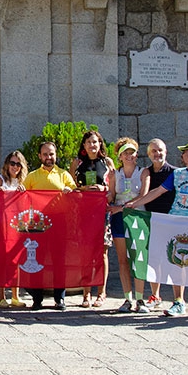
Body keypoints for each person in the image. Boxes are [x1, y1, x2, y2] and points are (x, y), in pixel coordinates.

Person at [125, 141, 188, 318]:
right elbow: (158, 191)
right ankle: (179, 301)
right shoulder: (177, 174)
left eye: (185, 153)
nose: (181, 156)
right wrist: (135, 204)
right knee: (176, 261)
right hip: (176, 221)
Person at [22, 141, 77, 310]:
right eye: (45, 154)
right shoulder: (32, 176)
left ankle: (59, 298)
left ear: (56, 155)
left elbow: (77, 193)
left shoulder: (64, 175)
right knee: (37, 260)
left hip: (59, 223)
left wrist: (70, 192)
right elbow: (22, 195)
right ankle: (37, 299)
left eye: (51, 154)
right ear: (40, 156)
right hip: (38, 225)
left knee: (59, 261)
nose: (49, 157)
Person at [69, 130, 114, 308]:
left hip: (102, 212)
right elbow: (71, 187)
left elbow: (114, 188)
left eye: (95, 142)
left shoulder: (107, 162)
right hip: (84, 213)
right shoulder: (77, 163)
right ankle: (86, 293)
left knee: (102, 252)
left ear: (100, 144)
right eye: (88, 142)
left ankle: (101, 293)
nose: (92, 145)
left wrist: (103, 190)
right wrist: (85, 189)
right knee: (85, 254)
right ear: (84, 145)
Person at [107, 138, 148, 313]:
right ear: (120, 156)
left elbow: (143, 196)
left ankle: (140, 299)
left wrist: (121, 207)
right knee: (123, 260)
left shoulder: (144, 172)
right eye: (126, 153)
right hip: (118, 219)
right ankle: (127, 299)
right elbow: (111, 196)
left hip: (138, 217)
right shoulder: (115, 174)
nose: (129, 155)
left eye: (132, 152)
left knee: (138, 258)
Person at [139, 138, 177, 308]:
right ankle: (155, 295)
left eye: (160, 150)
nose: (157, 154)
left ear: (166, 152)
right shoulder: (146, 173)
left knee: (176, 259)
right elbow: (144, 194)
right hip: (152, 219)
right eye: (153, 151)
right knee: (154, 260)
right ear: (148, 154)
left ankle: (179, 299)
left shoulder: (176, 173)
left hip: (171, 221)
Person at [0, 150, 29, 308]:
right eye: (12, 163)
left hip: (17, 225)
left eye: (18, 164)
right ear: (7, 164)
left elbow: (26, 206)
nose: (15, 167)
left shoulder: (22, 183)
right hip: (1, 224)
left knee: (16, 260)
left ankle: (15, 295)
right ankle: (1, 296)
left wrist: (24, 194)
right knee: (1, 260)